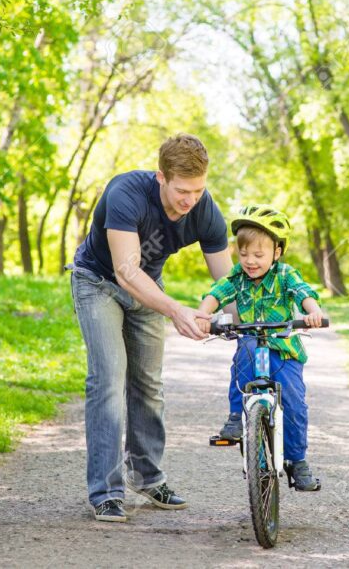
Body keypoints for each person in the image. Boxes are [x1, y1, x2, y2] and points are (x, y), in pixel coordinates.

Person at [70, 133, 234, 522]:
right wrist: (177, 311)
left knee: (148, 384)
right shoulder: (126, 192)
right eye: (182, 190)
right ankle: (106, 493)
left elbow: (228, 283)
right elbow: (126, 272)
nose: (189, 200)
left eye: (197, 190)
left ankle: (147, 477)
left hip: (147, 291)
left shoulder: (205, 210)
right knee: (109, 379)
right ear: (161, 177)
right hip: (98, 283)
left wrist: (245, 319)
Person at [196, 204, 325, 491]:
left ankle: (297, 461)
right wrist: (204, 315)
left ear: (276, 253)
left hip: (284, 350)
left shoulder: (285, 274)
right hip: (252, 341)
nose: (250, 261)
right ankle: (235, 418)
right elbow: (216, 293)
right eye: (243, 254)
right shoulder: (238, 278)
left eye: (258, 254)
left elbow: (304, 293)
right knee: (244, 353)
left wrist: (312, 312)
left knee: (293, 402)